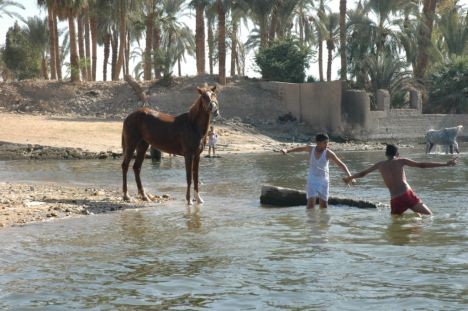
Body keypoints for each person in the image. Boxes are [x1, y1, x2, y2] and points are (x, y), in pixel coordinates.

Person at [343, 144, 458, 216]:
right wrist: (445, 164)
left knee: (396, 223)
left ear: (386, 154)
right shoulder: (400, 161)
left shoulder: (380, 165)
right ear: (397, 154)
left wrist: (349, 178)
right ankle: (415, 226)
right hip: (406, 194)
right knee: (429, 216)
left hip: (394, 199)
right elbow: (422, 165)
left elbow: (363, 173)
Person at [281, 133, 354, 209]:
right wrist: (287, 150)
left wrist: (350, 176)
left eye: (327, 142)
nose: (327, 145)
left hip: (324, 180)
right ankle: (311, 220)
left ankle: (323, 220)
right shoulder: (311, 149)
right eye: (325, 142)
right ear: (318, 143)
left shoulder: (328, 153)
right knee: (310, 205)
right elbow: (300, 149)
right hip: (312, 179)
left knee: (324, 206)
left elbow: (341, 164)